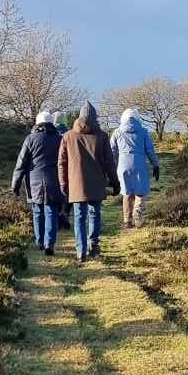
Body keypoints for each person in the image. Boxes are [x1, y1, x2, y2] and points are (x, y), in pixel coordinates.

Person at [58, 101, 119, 265]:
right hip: (97, 184)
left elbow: (61, 163)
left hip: (76, 184)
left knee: (79, 217)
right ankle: (94, 244)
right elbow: (109, 163)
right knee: (94, 214)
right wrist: (115, 182)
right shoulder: (102, 136)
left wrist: (63, 183)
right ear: (94, 117)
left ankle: (80, 251)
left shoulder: (68, 136)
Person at [11, 111, 64, 256]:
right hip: (54, 180)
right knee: (51, 211)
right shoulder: (59, 139)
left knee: (37, 211)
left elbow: (20, 164)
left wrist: (15, 185)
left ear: (37, 123)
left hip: (34, 181)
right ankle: (50, 243)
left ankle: (39, 241)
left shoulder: (30, 139)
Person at [111, 108, 160, 228]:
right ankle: (138, 219)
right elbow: (150, 150)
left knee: (126, 192)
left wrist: (110, 167)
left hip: (123, 165)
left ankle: (127, 221)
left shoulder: (117, 132)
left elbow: (111, 151)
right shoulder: (144, 132)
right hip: (139, 164)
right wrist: (155, 164)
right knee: (141, 192)